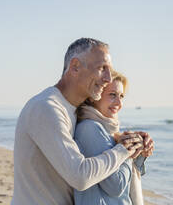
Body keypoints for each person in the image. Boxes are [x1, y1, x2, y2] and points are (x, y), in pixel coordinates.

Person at [11, 38, 151, 205]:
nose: (108, 78)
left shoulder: (73, 111)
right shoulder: (46, 108)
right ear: (75, 66)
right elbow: (80, 176)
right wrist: (124, 150)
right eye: (102, 69)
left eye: (110, 71)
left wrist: (120, 140)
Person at [74, 71, 153, 205]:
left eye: (121, 96)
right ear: (94, 96)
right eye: (112, 95)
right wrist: (128, 151)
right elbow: (116, 186)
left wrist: (140, 151)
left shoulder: (107, 131)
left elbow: (127, 182)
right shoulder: (89, 129)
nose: (119, 103)